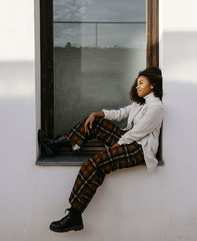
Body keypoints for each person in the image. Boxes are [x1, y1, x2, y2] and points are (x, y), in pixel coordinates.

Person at [40, 66, 164, 233]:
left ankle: (75, 214)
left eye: (141, 82)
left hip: (140, 150)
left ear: (153, 85)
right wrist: (97, 114)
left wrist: (118, 143)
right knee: (96, 123)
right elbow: (120, 113)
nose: (137, 86)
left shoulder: (156, 107)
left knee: (93, 164)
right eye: (137, 83)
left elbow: (138, 132)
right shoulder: (139, 103)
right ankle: (57, 144)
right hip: (129, 142)